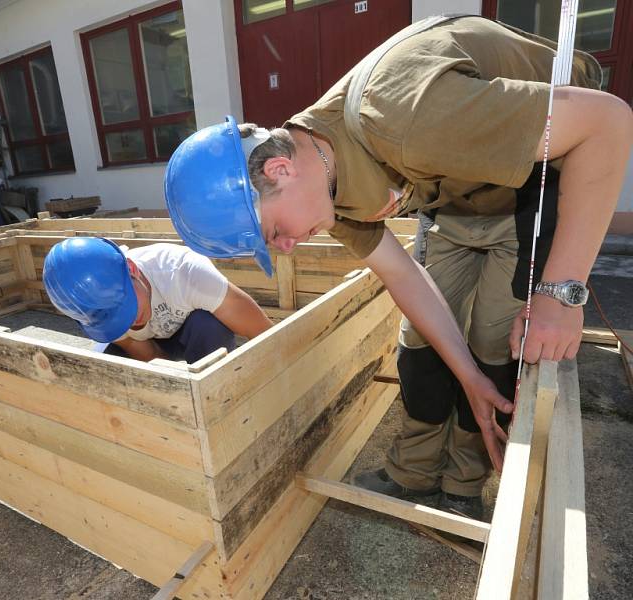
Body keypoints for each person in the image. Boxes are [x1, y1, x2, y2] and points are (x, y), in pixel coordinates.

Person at [164, 16, 633, 519]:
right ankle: (416, 469)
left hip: (526, 185)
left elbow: (607, 123)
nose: (287, 248)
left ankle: (464, 485)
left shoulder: (404, 117)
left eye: (274, 232)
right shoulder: (324, 179)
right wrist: (469, 380)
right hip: (455, 196)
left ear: (279, 170)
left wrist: (562, 294)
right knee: (423, 343)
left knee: (497, 339)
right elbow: (404, 275)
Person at [43, 237, 272, 363]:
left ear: (131, 269)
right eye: (116, 320)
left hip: (190, 333)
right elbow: (147, 354)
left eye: (126, 307)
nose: (130, 321)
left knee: (211, 326)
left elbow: (264, 333)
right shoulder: (93, 309)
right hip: (154, 344)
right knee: (107, 363)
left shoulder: (184, 272)